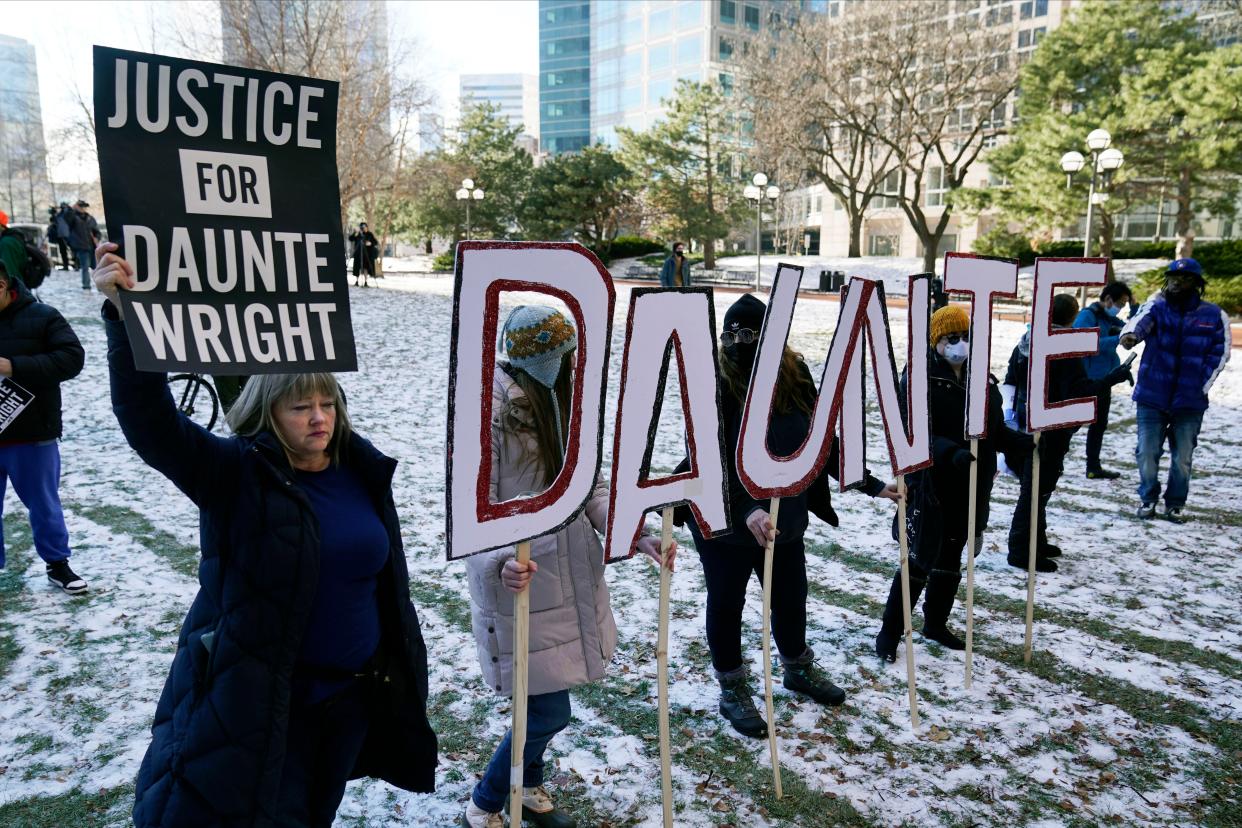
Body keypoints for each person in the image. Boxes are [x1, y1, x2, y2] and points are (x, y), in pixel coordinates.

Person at [93, 241, 438, 827]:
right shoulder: (238, 476)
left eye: (327, 403)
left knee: (316, 812)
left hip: (351, 698)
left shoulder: (360, 472)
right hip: (267, 702)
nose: (319, 417)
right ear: (268, 411)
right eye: (301, 406)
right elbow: (150, 423)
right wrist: (124, 318)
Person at [463, 304, 672, 828]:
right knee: (549, 711)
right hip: (524, 587)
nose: (575, 365)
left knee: (542, 705)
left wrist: (633, 532)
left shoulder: (564, 406)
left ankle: (527, 783)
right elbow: (470, 511)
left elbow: (588, 489)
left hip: (567, 581)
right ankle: (486, 802)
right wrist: (498, 564)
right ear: (541, 363)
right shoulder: (488, 416)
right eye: (567, 357)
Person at [683, 294, 898, 736]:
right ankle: (733, 688)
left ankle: (797, 668)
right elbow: (710, 459)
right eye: (732, 333)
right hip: (726, 523)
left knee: (790, 596)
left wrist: (871, 483)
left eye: (751, 334)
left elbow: (821, 441)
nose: (739, 342)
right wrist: (747, 510)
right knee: (727, 603)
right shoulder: (715, 383)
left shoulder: (796, 376)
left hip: (785, 518)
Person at [874, 306, 1032, 662]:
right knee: (919, 558)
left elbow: (988, 428)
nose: (961, 344)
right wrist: (949, 452)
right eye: (952, 338)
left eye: (966, 336)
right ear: (936, 342)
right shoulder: (918, 378)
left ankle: (935, 622)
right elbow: (913, 431)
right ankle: (890, 631)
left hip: (972, 483)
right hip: (931, 483)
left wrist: (1014, 441)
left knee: (952, 556)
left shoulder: (982, 380)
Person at [1004, 294, 1133, 572]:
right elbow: (1078, 390)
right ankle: (1020, 549)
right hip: (1052, 426)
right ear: (1072, 317)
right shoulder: (1064, 348)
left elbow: (1011, 380)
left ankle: (1036, 540)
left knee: (1038, 488)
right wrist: (1113, 377)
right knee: (1035, 490)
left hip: (1028, 425)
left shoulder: (1026, 342)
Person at [1120, 258, 1230, 522]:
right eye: (1172, 278)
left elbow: (1220, 354)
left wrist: (1200, 385)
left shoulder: (1214, 315)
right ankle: (1148, 498)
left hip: (1190, 403)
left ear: (1196, 283)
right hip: (1151, 397)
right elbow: (1139, 322)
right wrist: (1131, 336)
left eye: (1184, 279)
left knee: (1182, 458)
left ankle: (1175, 504)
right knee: (1146, 452)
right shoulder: (1157, 306)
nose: (1177, 283)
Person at [0, 261, 86, 593]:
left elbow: (72, 358)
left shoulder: (43, 315)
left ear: (7, 285)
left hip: (32, 431)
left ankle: (58, 565)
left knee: (43, 503)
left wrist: (14, 366)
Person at [1073, 280, 1133, 479]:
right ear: (1108, 299)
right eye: (1121, 303)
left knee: (1098, 426)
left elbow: (1132, 326)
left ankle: (1093, 467)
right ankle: (1048, 458)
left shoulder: (1109, 319)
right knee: (1071, 425)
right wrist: (1117, 340)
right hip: (1087, 380)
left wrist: (1134, 304)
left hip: (1105, 380)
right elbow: (1082, 343)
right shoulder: (1087, 316)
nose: (1121, 308)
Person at [67, 200, 99, 290]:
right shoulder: (73, 217)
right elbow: (67, 222)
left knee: (96, 267)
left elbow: (96, 231)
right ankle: (86, 285)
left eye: (84, 206)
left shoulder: (90, 218)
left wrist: (97, 237)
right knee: (85, 267)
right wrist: (71, 209)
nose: (83, 208)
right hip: (81, 246)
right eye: (81, 206)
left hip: (92, 246)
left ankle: (100, 286)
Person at [349, 221, 379, 287]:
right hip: (358, 254)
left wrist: (370, 243)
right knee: (357, 268)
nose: (363, 229)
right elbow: (351, 239)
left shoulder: (369, 234)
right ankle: (357, 281)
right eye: (362, 227)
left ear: (367, 227)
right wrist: (354, 232)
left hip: (366, 255)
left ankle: (366, 281)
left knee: (366, 268)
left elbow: (375, 242)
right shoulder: (358, 234)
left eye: (364, 227)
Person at [53, 203, 74, 270]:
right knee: (62, 251)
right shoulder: (59, 215)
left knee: (73, 250)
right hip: (60, 235)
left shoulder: (69, 213)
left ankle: (77, 265)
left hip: (68, 235)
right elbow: (55, 221)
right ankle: (65, 265)